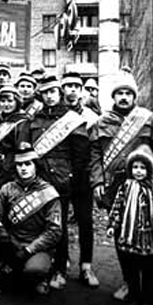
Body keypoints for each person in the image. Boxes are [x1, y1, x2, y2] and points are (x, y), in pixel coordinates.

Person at [89, 70, 153, 303]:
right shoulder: (101, 122)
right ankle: (128, 282)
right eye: (119, 93)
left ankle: (152, 285)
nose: (124, 97)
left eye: (128, 93)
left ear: (134, 96)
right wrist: (97, 182)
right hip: (116, 188)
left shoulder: (148, 118)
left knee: (148, 234)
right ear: (113, 97)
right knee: (121, 234)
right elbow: (95, 156)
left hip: (146, 187)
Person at [19, 75, 89, 291]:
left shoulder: (70, 118)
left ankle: (60, 268)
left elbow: (80, 155)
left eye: (53, 92)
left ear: (59, 94)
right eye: (46, 92)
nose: (49, 96)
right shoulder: (34, 120)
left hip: (62, 180)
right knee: (39, 224)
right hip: (38, 179)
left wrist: (71, 177)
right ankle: (43, 267)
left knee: (59, 226)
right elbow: (26, 150)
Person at [0, 143, 62, 296]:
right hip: (11, 242)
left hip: (36, 245)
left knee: (34, 270)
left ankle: (40, 278)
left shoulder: (48, 192)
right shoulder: (8, 188)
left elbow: (54, 231)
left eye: (28, 164)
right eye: (19, 164)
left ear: (35, 166)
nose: (23, 168)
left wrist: (29, 250)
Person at [106, 145, 153, 305]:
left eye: (142, 167)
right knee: (132, 268)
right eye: (135, 167)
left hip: (148, 237)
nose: (138, 171)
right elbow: (117, 207)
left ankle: (148, 297)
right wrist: (113, 225)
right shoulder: (126, 186)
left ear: (149, 169)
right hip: (130, 236)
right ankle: (133, 295)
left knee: (148, 269)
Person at [61, 72, 99, 287]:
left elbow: (96, 149)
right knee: (61, 222)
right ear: (63, 89)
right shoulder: (57, 115)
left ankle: (86, 266)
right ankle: (62, 263)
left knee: (85, 222)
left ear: (81, 89)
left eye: (77, 85)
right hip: (62, 177)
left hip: (83, 178)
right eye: (68, 86)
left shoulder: (91, 116)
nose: (73, 90)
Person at [0, 86, 28, 188]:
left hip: (10, 167)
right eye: (3, 101)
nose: (6, 104)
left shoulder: (22, 122)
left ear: (17, 102)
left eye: (10, 101)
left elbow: (20, 148)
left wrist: (8, 166)